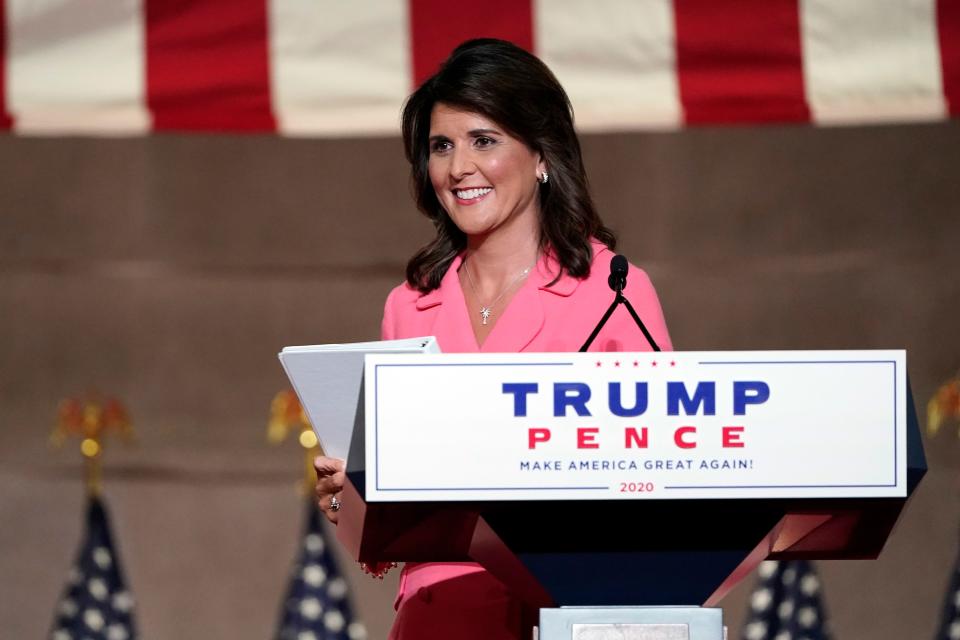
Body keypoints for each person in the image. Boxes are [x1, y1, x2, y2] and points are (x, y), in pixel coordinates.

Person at [314, 38, 672, 639]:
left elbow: (665, 474)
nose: (459, 168)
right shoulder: (409, 305)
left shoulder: (613, 293)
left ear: (540, 154)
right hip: (438, 615)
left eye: (484, 141)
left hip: (571, 611)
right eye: (441, 147)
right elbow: (380, 539)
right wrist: (343, 494)